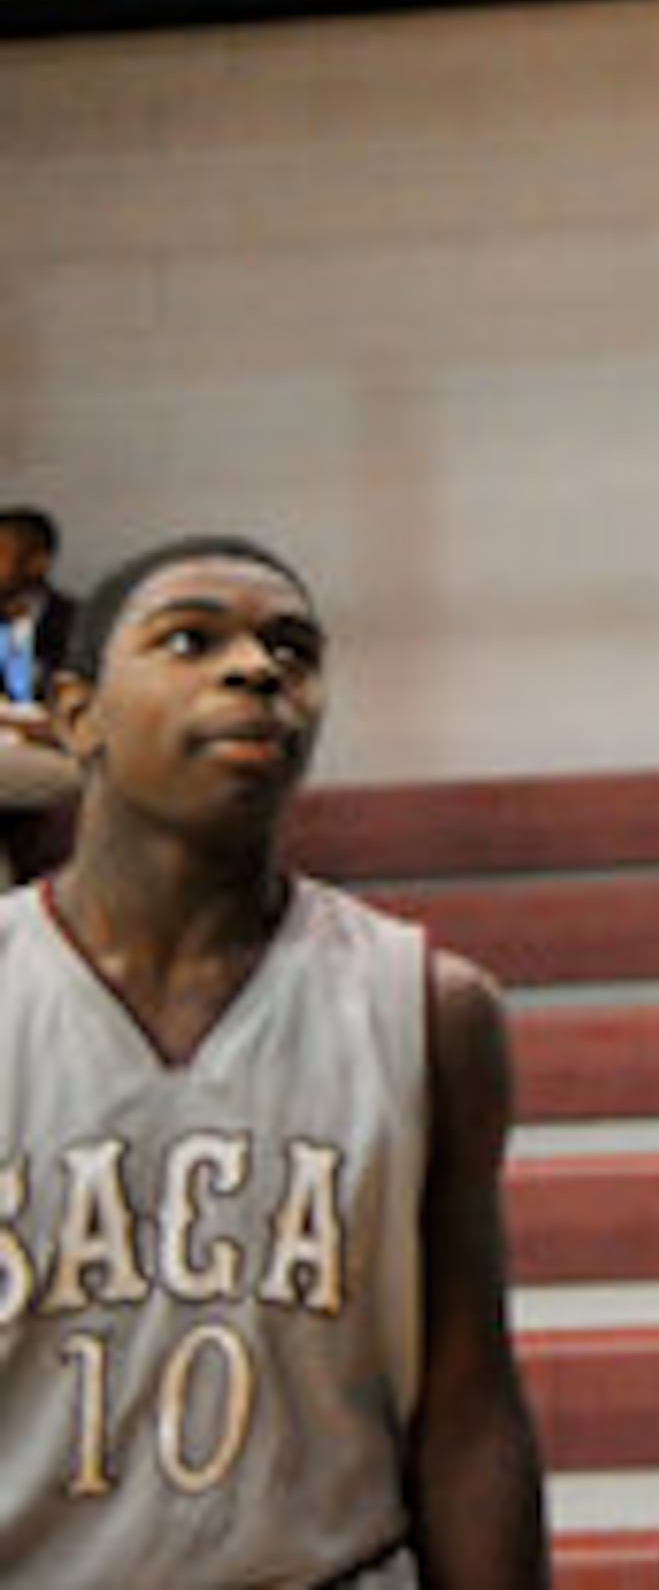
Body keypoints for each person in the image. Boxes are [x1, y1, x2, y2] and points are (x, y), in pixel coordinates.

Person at [0, 534, 547, 1587]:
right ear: (79, 716)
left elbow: (470, 1409)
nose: (257, 669)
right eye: (192, 640)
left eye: (292, 650)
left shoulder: (431, 1008)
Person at [1, 507, 79, 880]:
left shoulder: (77, 626)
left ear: (38, 563)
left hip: (57, 752)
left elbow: (89, 719)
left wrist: (21, 723)